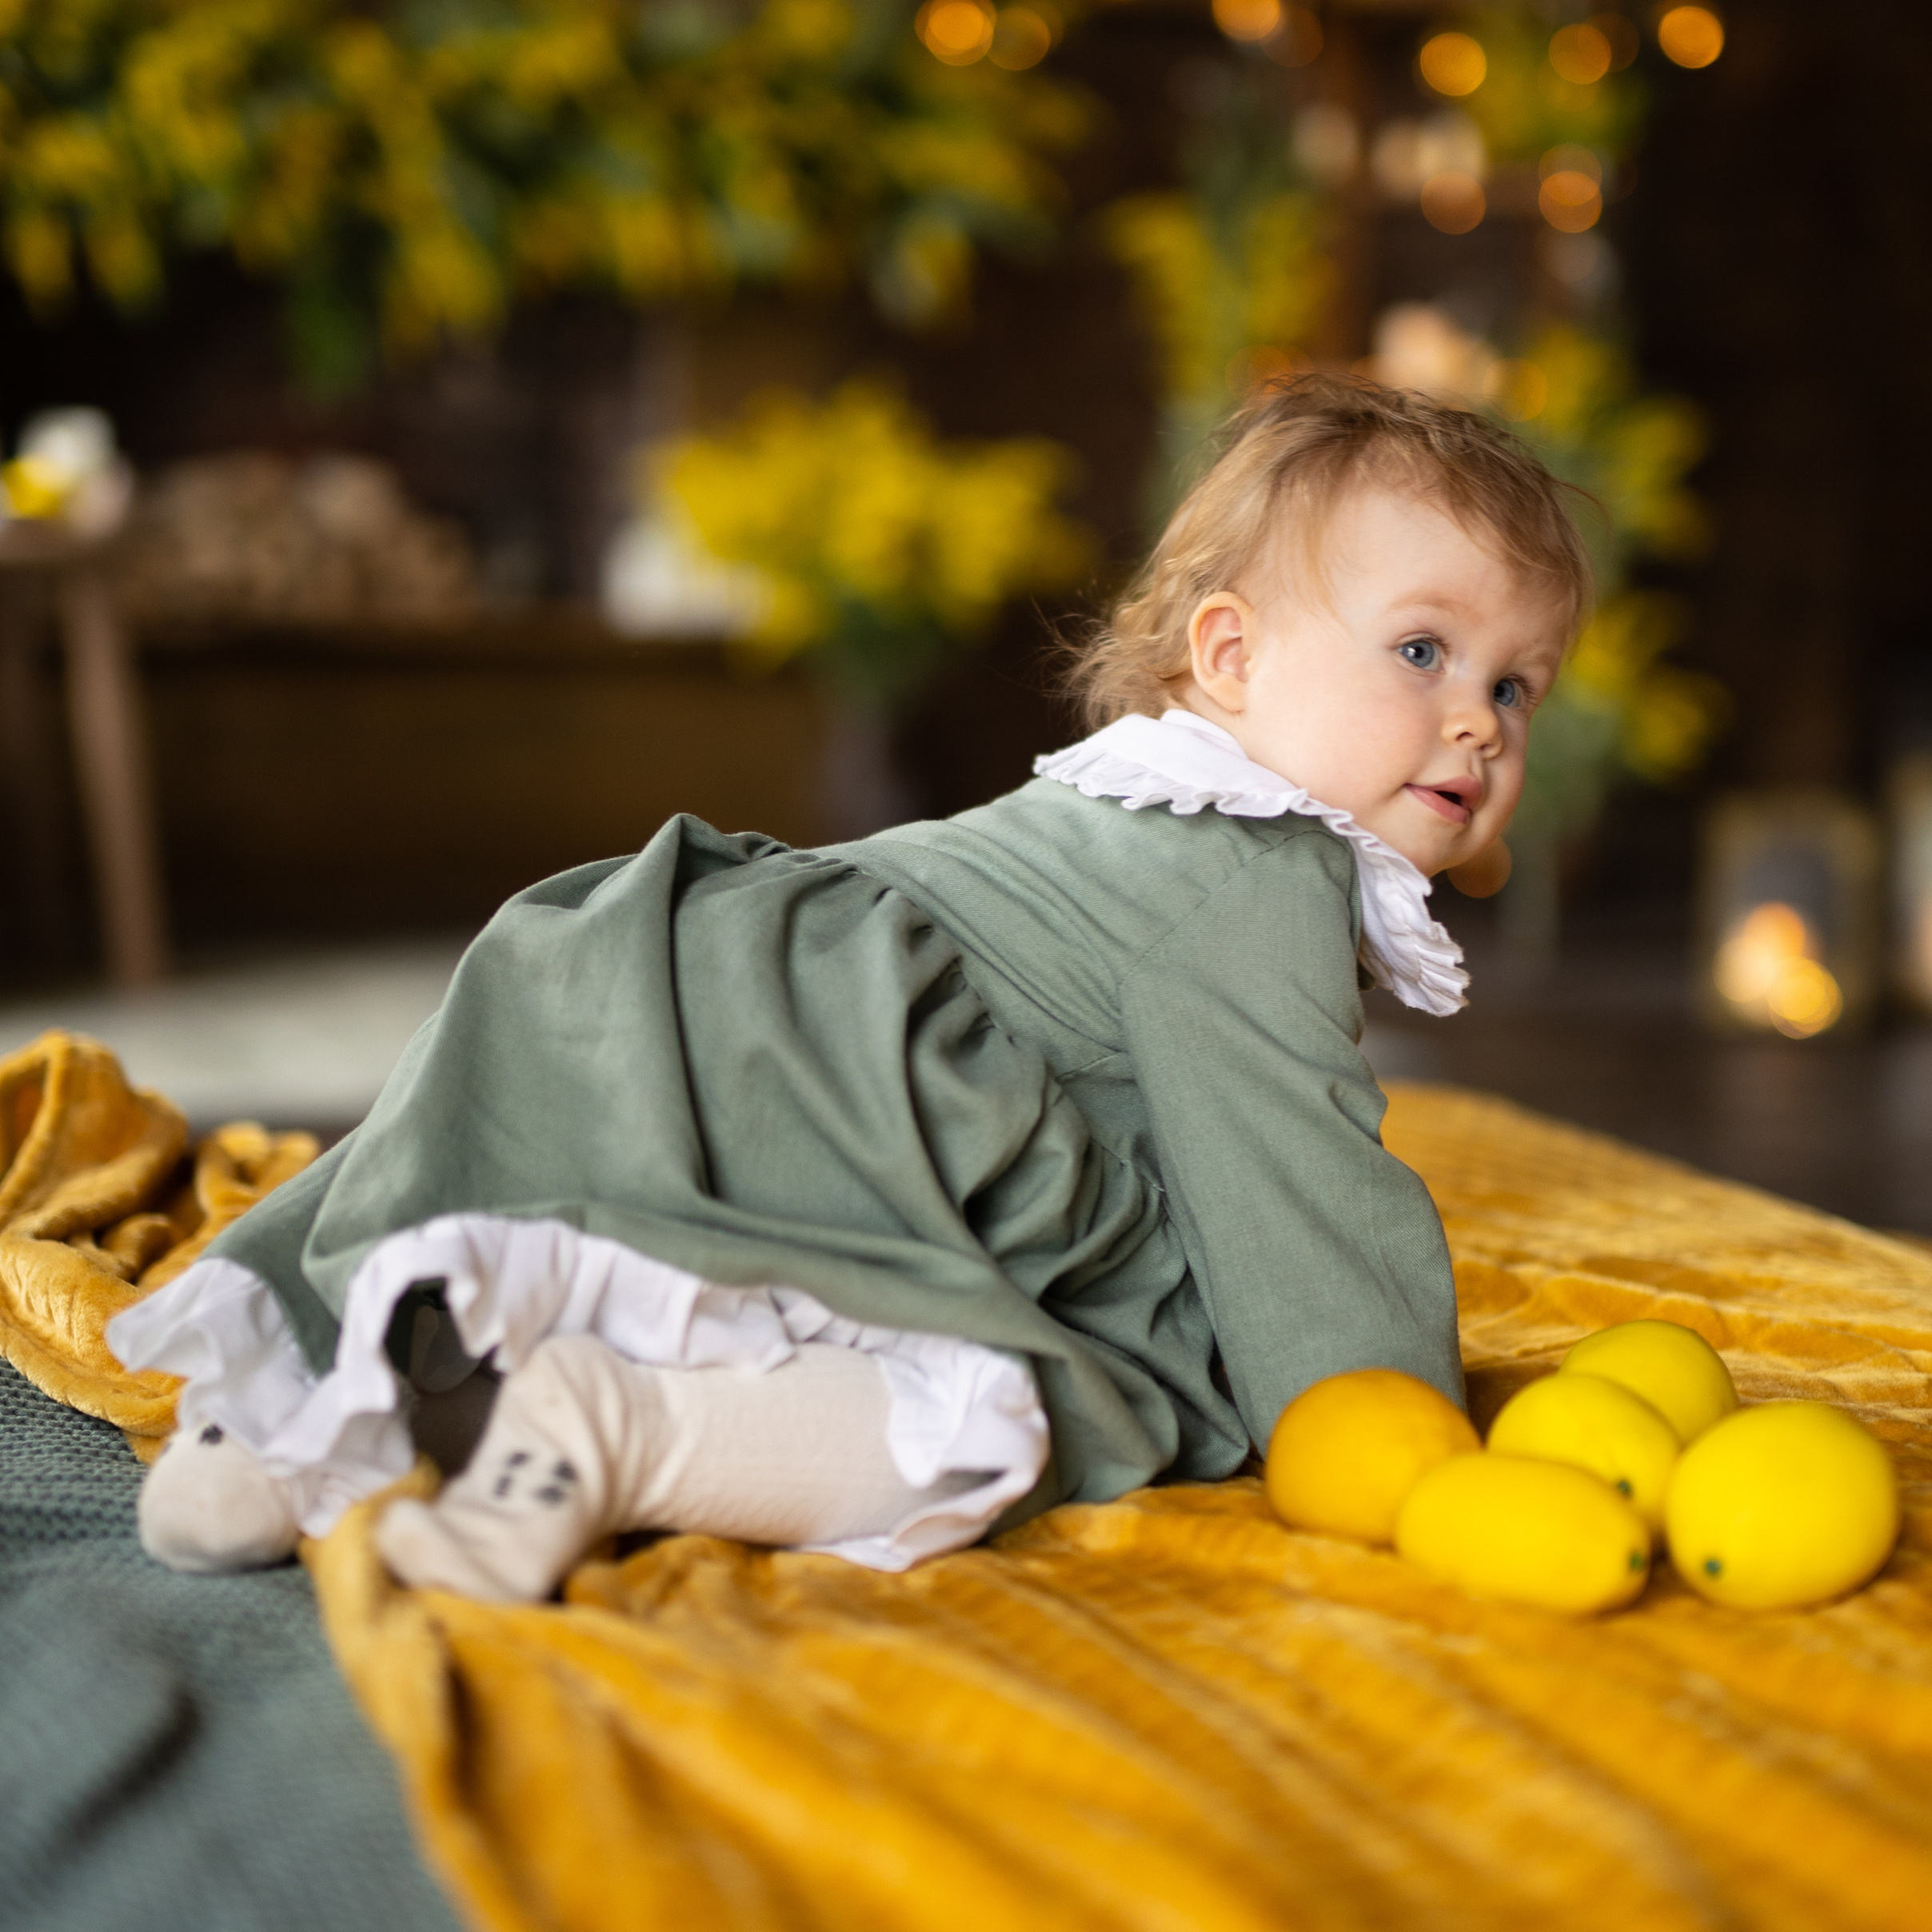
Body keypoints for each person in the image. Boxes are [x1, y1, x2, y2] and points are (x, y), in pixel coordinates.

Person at [110, 373, 1590, 1602]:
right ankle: (626, 1433)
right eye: (1422, 649)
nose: (1476, 724)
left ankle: (292, 1416)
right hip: (849, 1060)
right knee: (1025, 1397)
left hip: (668, 963)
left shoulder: (1131, 806)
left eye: (1515, 686)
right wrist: (1393, 1409)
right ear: (1229, 657)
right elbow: (1295, 1177)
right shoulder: (1260, 869)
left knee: (579, 1221)